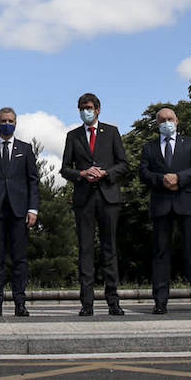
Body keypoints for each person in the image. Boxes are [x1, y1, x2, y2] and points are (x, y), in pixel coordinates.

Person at [60, 92, 130, 316]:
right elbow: (64, 168)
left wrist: (106, 173)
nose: (85, 111)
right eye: (82, 108)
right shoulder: (73, 135)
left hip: (108, 197)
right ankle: (87, 303)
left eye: (89, 107)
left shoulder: (111, 132)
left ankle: (113, 301)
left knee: (109, 249)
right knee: (85, 250)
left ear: (98, 109)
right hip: (84, 199)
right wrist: (82, 173)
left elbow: (123, 164)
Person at [137, 107, 191, 314]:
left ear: (177, 121)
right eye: (162, 120)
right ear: (157, 124)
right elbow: (143, 172)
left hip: (186, 203)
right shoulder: (149, 147)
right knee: (160, 253)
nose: (166, 123)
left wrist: (179, 178)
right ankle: (160, 302)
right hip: (161, 204)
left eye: (170, 119)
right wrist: (162, 179)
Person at [0, 106, 39, 317]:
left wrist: (33, 208)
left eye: (10, 120)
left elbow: (33, 182)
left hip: (20, 211)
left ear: (15, 123)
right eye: (3, 120)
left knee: (20, 259)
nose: (7, 124)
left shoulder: (26, 149)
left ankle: (20, 302)